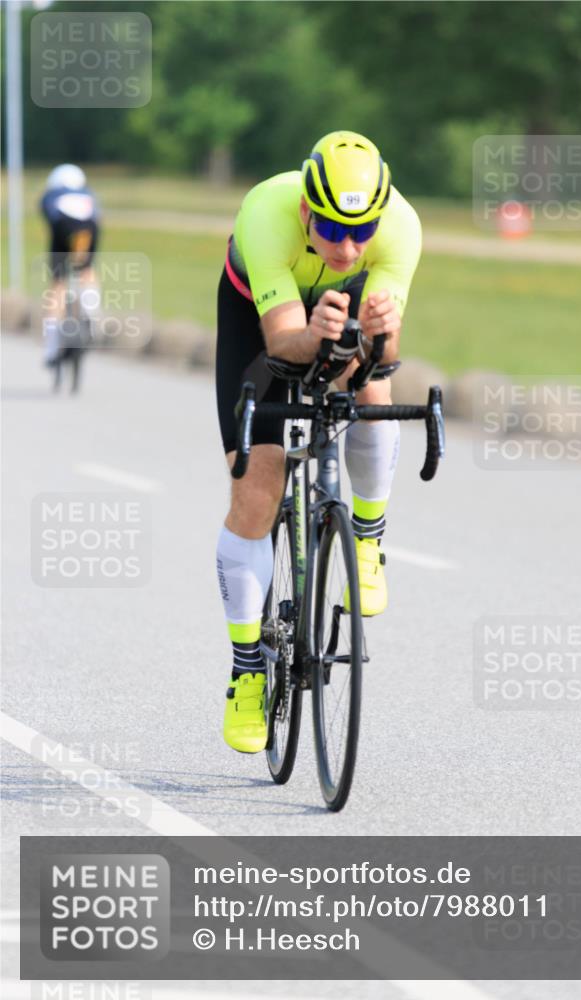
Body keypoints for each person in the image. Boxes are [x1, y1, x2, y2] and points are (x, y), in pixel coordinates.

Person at [216, 130, 422, 753]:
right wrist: (315, 335)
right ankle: (248, 669)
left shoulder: (401, 231)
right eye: (332, 229)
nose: (349, 245)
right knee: (256, 488)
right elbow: (283, 345)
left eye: (362, 232)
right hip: (260, 318)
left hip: (342, 307)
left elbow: (384, 356)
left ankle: (367, 533)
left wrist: (374, 342)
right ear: (307, 208)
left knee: (372, 393)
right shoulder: (267, 213)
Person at [40, 164, 101, 365]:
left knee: (58, 284)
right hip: (88, 229)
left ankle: (50, 348)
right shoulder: (89, 193)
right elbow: (97, 217)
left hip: (62, 229)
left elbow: (51, 221)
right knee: (86, 270)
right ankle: (91, 311)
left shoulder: (51, 195)